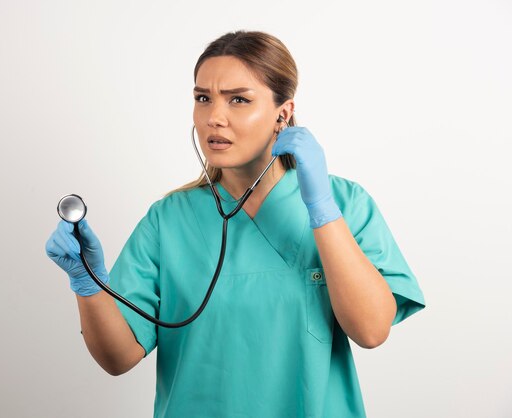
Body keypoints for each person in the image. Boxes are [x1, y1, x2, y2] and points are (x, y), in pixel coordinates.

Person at [45, 30, 426, 418]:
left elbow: (371, 331)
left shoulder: (347, 204)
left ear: (284, 113)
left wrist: (321, 208)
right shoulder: (168, 221)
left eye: (239, 100)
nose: (214, 117)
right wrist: (88, 283)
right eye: (203, 98)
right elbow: (117, 357)